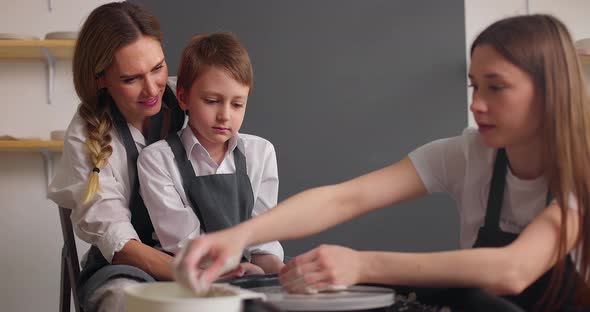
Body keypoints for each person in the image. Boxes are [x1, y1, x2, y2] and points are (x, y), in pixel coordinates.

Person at [172, 14, 590, 311]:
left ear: (549, 90)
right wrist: (236, 237)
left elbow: (513, 270)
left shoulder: (581, 177)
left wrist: (361, 264)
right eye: (474, 85)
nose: (476, 104)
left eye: (496, 87)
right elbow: (344, 199)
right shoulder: (469, 153)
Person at [48, 2, 185, 312]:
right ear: (100, 78)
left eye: (158, 68)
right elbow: (119, 244)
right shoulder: (87, 133)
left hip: (203, 257)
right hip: (125, 269)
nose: (152, 89)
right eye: (131, 79)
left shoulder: (193, 102)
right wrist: (190, 275)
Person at [137, 33, 284, 280]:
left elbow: (263, 239)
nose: (225, 115)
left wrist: (281, 275)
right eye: (212, 101)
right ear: (184, 98)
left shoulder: (261, 153)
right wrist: (234, 271)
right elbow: (184, 243)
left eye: (237, 104)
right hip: (185, 276)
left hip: (248, 271)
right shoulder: (157, 159)